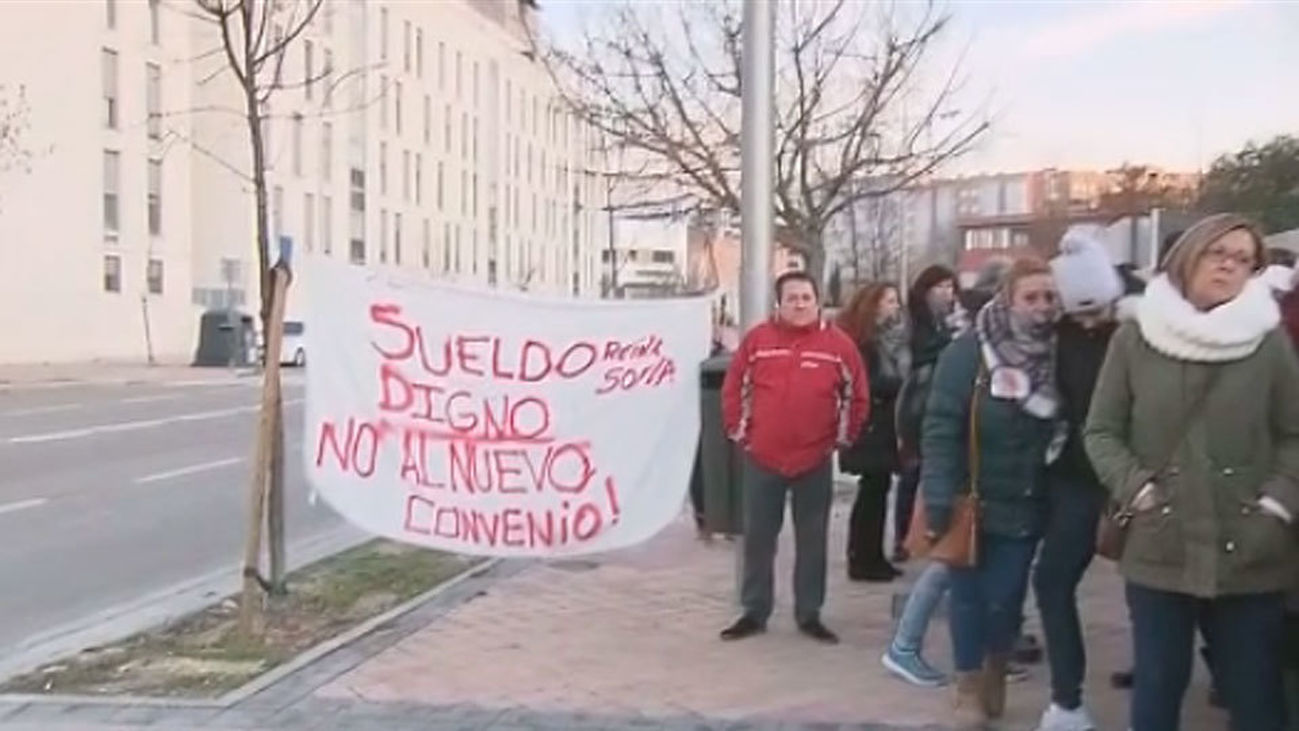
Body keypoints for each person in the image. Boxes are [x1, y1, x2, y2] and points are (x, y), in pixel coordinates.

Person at [1085, 213, 1299, 731]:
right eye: (1218, 253)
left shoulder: (1268, 344)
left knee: (1255, 695)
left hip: (1250, 548)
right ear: (1189, 256)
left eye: (1243, 259)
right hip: (1160, 544)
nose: (1229, 265)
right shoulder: (1135, 338)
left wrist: (1274, 505)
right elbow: (1101, 432)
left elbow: (1294, 435)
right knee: (1158, 688)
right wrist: (1139, 491)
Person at [922, 257, 1063, 727]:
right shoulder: (970, 351)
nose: (1041, 307)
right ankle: (966, 681)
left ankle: (995, 663)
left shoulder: (1061, 353)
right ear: (1008, 299)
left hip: (1028, 498)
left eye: (1049, 297)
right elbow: (941, 426)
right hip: (971, 499)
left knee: (1006, 597)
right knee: (967, 596)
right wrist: (939, 494)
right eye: (1031, 297)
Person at [719, 270, 869, 644]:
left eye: (805, 298)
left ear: (817, 301)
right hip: (762, 458)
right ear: (779, 303)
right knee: (757, 538)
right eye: (791, 298)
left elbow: (858, 396)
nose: (799, 305)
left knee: (813, 540)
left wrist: (842, 438)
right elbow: (734, 387)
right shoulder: (758, 341)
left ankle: (809, 613)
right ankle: (754, 611)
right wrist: (741, 433)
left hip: (813, 459)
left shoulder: (839, 346)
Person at [1033, 232, 1125, 731]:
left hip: (1128, 481)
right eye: (1079, 312)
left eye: (1097, 311)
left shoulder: (1131, 334)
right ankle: (1067, 699)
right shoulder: (1059, 335)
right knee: (1052, 582)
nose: (1088, 322)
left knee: (1157, 590)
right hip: (1074, 479)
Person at [837, 283, 909, 582]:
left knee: (877, 492)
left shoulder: (882, 340)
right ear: (874, 305)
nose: (895, 306)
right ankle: (862, 558)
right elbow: (865, 383)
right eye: (890, 301)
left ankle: (872, 555)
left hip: (882, 426)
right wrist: (900, 386)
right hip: (870, 426)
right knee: (871, 493)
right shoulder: (863, 342)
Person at [894, 265, 960, 562]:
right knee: (912, 473)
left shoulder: (947, 321)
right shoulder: (914, 322)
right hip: (916, 403)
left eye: (950, 287)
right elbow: (914, 355)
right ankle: (902, 536)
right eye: (941, 287)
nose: (947, 293)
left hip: (936, 399)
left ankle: (925, 529)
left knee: (928, 470)